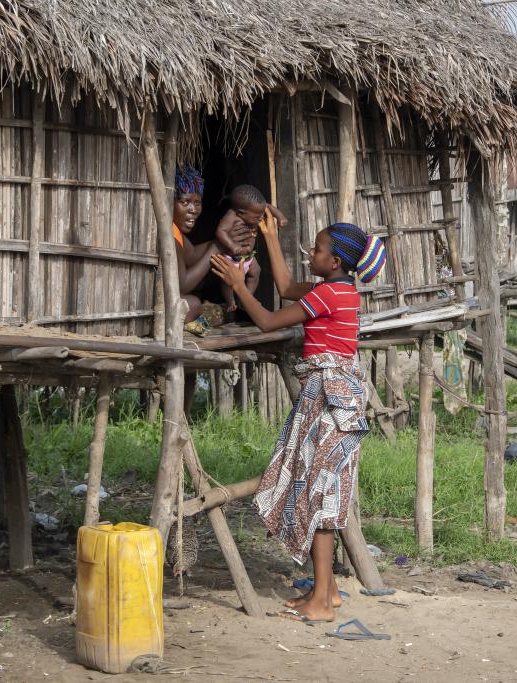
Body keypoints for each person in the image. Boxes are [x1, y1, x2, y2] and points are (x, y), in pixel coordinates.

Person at [210, 219, 386, 623]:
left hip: (331, 404)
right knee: (319, 493)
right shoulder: (338, 291)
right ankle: (329, 592)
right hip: (331, 401)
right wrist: (271, 238)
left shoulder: (329, 296)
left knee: (320, 498)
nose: (311, 252)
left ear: (336, 260)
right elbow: (288, 287)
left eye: (318, 249)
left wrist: (238, 286)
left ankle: (322, 603)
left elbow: (270, 320)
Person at [170, 167, 250, 331]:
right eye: (185, 202)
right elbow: (182, 285)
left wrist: (224, 240)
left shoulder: (176, 231)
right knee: (192, 303)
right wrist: (217, 247)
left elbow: (192, 255)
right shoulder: (169, 233)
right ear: (169, 202)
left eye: (197, 202)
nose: (193, 209)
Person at [213, 184, 286, 312]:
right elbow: (220, 231)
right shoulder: (231, 217)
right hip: (232, 258)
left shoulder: (254, 210)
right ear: (241, 212)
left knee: (256, 272)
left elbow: (268, 206)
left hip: (248, 257)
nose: (260, 218)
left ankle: (247, 297)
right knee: (226, 282)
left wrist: (280, 217)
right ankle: (231, 301)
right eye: (257, 217)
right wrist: (232, 245)